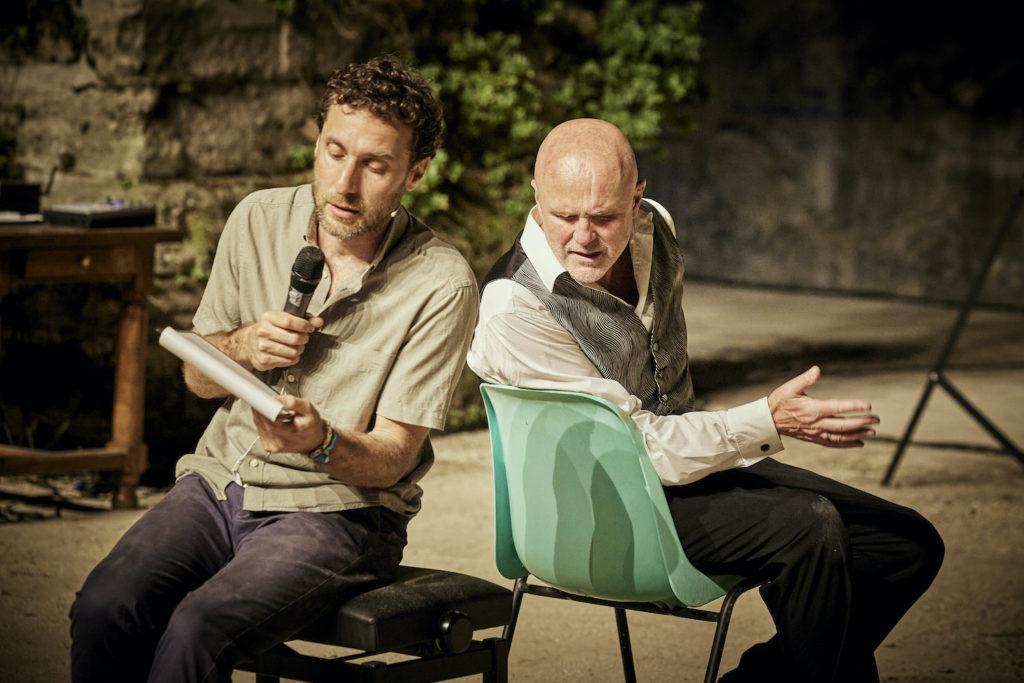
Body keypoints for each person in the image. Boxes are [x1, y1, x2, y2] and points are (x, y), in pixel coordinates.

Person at [467, 118, 943, 682]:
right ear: (536, 199)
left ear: (637, 198)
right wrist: (765, 419)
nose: (583, 237)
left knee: (905, 544)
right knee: (808, 528)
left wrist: (739, 434)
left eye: (604, 217)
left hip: (688, 468)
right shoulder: (514, 307)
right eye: (564, 217)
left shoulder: (656, 231)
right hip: (601, 504)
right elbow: (633, 451)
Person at [69, 56, 478, 682]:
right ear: (316, 141)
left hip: (337, 512)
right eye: (334, 152)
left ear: (414, 173)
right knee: (104, 608)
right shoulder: (258, 218)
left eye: (374, 166)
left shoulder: (440, 283)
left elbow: (394, 456)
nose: (345, 184)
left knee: (196, 630)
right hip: (217, 481)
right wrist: (240, 347)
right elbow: (199, 378)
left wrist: (321, 442)